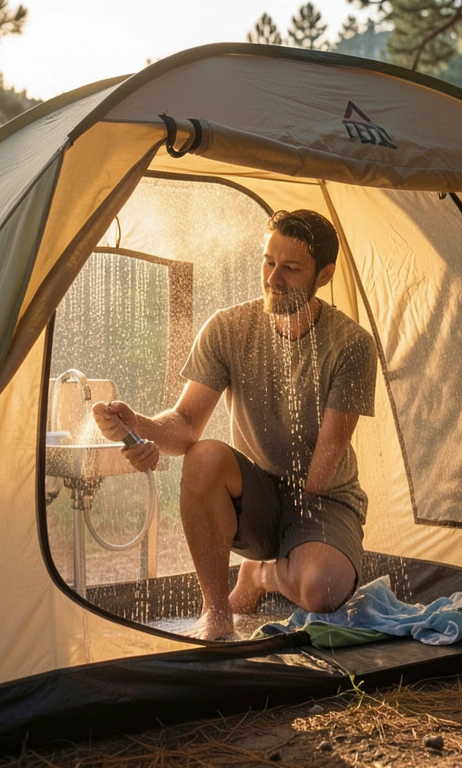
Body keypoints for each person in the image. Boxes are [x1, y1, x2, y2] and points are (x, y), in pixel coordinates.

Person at [91, 209, 377, 640]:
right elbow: (186, 425)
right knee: (203, 456)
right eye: (268, 262)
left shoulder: (351, 345)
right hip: (257, 494)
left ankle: (259, 575)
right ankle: (217, 612)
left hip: (324, 498)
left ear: (324, 275)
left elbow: (317, 476)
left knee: (321, 590)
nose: (273, 278)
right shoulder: (227, 328)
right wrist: (142, 425)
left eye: (291, 268)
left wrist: (292, 555)